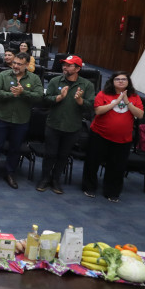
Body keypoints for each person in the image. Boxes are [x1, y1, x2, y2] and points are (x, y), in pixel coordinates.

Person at [0, 52, 43, 189]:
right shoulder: (3, 75)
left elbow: (39, 97)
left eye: (19, 64)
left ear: (27, 65)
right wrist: (11, 94)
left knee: (15, 148)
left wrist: (23, 93)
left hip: (21, 120)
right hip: (2, 118)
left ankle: (9, 173)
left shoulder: (34, 79)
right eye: (14, 63)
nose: (15, 66)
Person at [81, 71, 144, 202]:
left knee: (117, 166)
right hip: (100, 135)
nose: (121, 81)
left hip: (123, 139)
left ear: (128, 82)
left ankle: (112, 191)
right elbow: (98, 111)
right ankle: (89, 187)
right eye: (117, 79)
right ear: (112, 81)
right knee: (93, 162)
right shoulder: (103, 94)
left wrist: (127, 102)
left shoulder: (134, 97)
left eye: (124, 79)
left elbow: (140, 115)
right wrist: (116, 102)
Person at [37, 55, 94, 194]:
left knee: (63, 155)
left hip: (72, 127)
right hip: (53, 124)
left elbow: (90, 107)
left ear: (78, 68)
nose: (64, 67)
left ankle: (56, 180)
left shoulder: (87, 85)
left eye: (69, 65)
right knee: (50, 154)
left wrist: (80, 101)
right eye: (64, 65)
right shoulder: (55, 81)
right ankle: (44, 178)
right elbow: (45, 100)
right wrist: (59, 97)